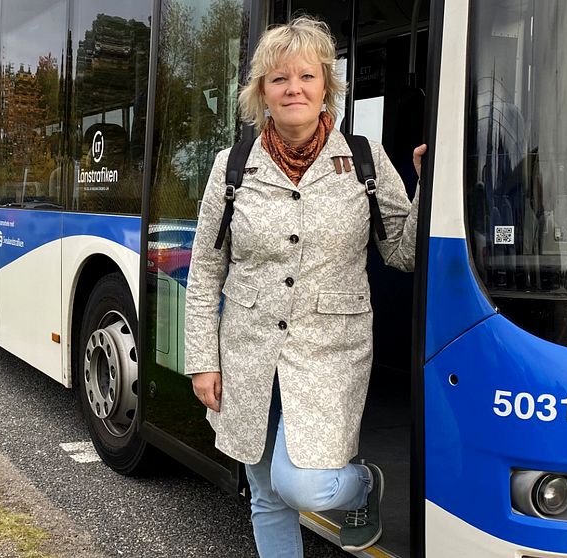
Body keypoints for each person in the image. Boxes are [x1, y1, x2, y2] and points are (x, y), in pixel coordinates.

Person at [184, 16, 425, 557]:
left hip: (330, 353)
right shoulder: (233, 166)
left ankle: (362, 485)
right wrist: (204, 359)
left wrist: (424, 185)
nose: (293, 88)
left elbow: (403, 255)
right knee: (266, 494)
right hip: (247, 350)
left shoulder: (363, 160)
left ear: (326, 87)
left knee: (304, 485)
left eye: (306, 77)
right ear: (261, 93)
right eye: (279, 79)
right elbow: (205, 270)